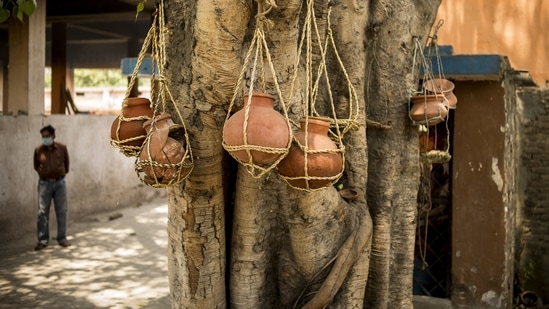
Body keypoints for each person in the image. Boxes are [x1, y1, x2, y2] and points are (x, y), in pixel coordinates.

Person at [33, 125, 71, 251]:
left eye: (47, 136)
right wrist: (43, 173)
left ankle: (62, 238)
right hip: (44, 184)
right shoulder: (38, 150)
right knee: (42, 212)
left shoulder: (62, 148)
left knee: (62, 211)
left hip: (60, 183)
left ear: (53, 136)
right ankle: (42, 240)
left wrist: (60, 173)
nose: (45, 139)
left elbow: (67, 164)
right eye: (43, 137)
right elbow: (36, 165)